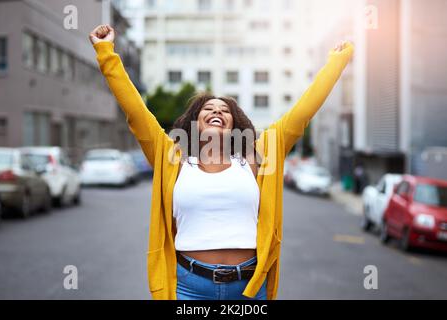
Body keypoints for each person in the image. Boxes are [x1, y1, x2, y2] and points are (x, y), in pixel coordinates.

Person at [89, 24, 354, 300]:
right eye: (209, 109)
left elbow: (301, 113)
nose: (217, 112)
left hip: (249, 288)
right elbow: (136, 112)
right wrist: (106, 52)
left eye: (224, 111)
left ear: (233, 123)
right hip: (189, 287)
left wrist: (336, 62)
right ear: (195, 122)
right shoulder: (172, 159)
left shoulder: (256, 157)